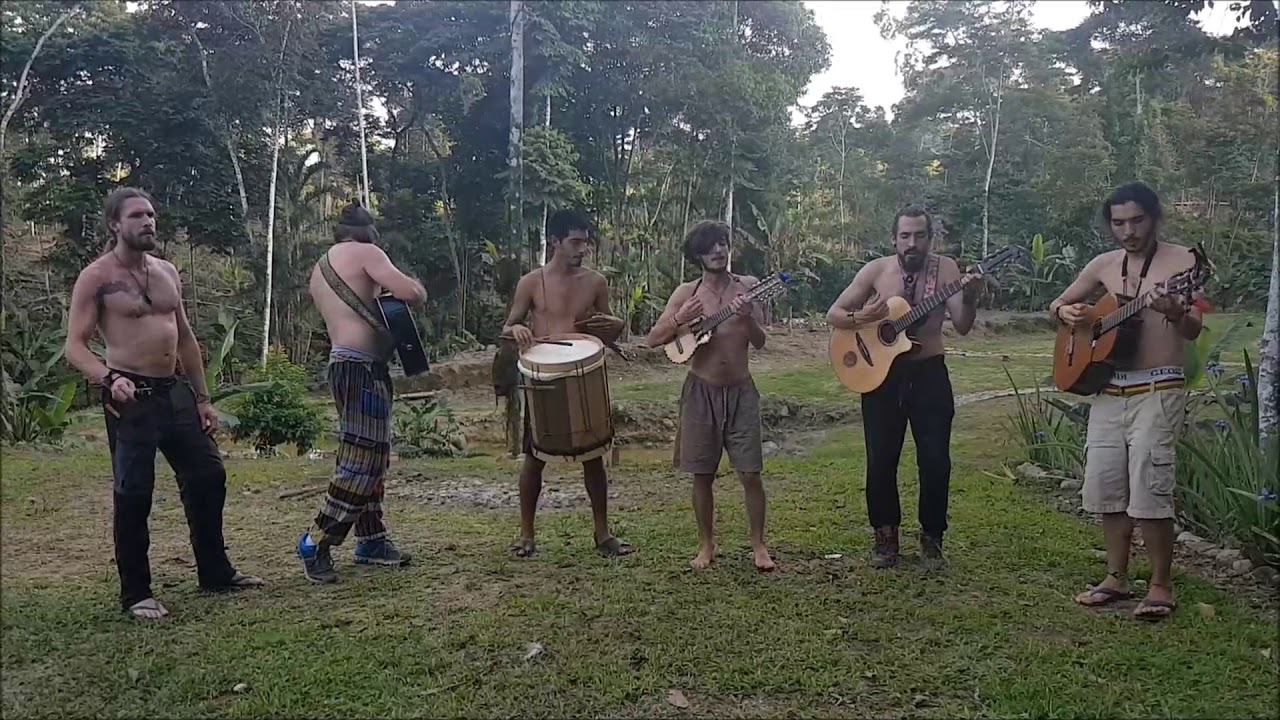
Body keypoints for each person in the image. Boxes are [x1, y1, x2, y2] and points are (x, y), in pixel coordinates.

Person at [64, 187, 265, 620]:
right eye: (137, 216)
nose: (148, 222)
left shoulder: (168, 271)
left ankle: (215, 572)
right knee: (134, 491)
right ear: (115, 224)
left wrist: (203, 398)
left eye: (151, 215)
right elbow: (74, 346)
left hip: (174, 390)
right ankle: (136, 593)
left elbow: (186, 338)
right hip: (130, 395)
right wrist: (108, 378)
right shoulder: (97, 277)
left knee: (208, 475)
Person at [1050, 181, 1201, 621]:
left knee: (1150, 486)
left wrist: (1175, 311)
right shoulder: (1103, 264)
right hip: (1107, 389)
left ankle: (1160, 585)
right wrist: (1066, 312)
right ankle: (1115, 577)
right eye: (1119, 223)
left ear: (1154, 218)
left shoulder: (1183, 262)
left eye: (1137, 220)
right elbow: (1059, 303)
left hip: (1158, 387)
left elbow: (1192, 328)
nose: (1129, 231)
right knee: (1107, 486)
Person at [825, 206, 981, 571]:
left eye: (920, 236)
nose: (912, 243)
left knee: (936, 460)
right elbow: (834, 313)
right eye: (905, 236)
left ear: (930, 238)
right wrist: (861, 317)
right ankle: (885, 538)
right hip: (881, 378)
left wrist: (972, 296)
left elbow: (962, 325)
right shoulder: (877, 270)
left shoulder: (947, 270)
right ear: (894, 238)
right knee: (881, 459)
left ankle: (932, 538)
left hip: (929, 373)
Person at [296, 202, 427, 583]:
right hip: (362, 371)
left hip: (344, 367)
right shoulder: (366, 252)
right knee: (362, 460)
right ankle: (316, 540)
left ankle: (371, 539)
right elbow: (411, 294)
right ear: (368, 232)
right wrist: (415, 284)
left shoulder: (320, 268)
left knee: (372, 455)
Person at [501, 209, 631, 558]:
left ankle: (603, 534)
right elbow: (508, 326)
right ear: (554, 241)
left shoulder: (596, 282)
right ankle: (526, 535)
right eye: (574, 242)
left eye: (585, 242)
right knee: (534, 457)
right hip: (543, 376)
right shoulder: (531, 282)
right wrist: (517, 329)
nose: (582, 249)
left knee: (594, 457)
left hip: (584, 374)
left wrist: (615, 326)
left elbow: (604, 332)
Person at [645, 220, 775, 572]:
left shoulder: (748, 287)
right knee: (702, 474)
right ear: (698, 254)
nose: (718, 250)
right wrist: (679, 319)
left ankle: (759, 545)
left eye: (722, 243)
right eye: (710, 246)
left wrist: (747, 319)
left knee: (750, 473)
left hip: (741, 390)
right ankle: (706, 545)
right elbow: (653, 339)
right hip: (700, 391)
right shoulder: (686, 293)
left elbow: (761, 342)